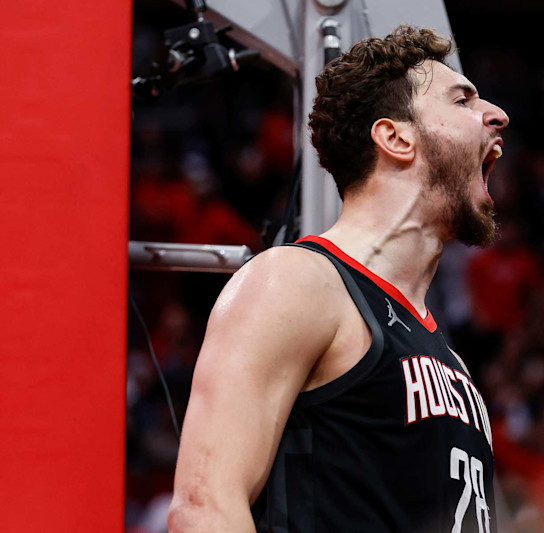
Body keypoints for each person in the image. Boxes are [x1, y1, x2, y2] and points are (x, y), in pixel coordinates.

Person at [167, 26, 509, 533]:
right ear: (396, 137)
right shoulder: (297, 283)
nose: (497, 114)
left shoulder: (448, 356)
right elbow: (206, 508)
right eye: (462, 100)